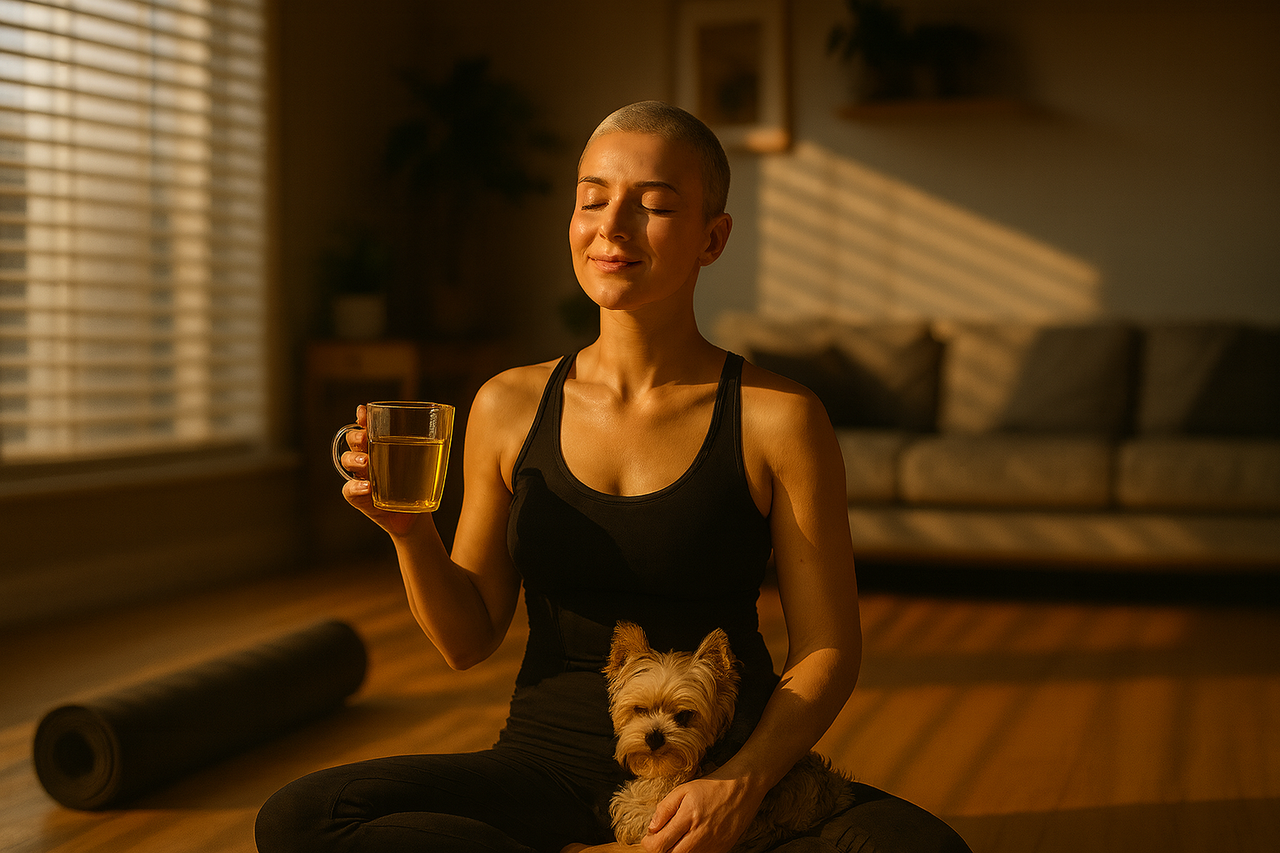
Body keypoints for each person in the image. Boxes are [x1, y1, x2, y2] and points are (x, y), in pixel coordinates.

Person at [255, 100, 970, 853]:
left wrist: (742, 782)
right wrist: (409, 532)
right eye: (592, 199)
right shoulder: (507, 404)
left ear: (712, 238)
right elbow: (466, 640)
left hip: (718, 765)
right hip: (547, 767)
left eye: (653, 205)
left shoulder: (779, 417)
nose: (612, 227)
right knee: (305, 816)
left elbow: (828, 648)